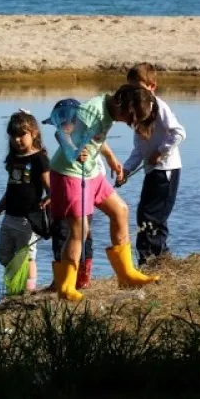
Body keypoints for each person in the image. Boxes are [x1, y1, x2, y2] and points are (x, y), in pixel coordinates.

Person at [48, 85, 160, 301]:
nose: (127, 123)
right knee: (80, 230)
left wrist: (111, 158)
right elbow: (62, 133)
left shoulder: (108, 111)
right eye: (128, 118)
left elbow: (96, 137)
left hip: (91, 173)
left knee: (120, 211)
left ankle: (126, 275)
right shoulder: (91, 111)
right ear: (121, 103)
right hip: (69, 173)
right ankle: (66, 288)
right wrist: (74, 150)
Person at [120, 63, 186, 264]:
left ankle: (150, 261)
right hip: (151, 171)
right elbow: (139, 149)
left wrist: (160, 151)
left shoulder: (159, 106)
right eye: (132, 88)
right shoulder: (137, 110)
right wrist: (126, 170)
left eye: (139, 88)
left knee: (151, 216)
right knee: (146, 214)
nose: (135, 93)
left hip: (166, 170)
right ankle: (159, 259)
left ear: (152, 86)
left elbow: (179, 133)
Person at [0, 110, 50, 292]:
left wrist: (50, 199)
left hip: (28, 218)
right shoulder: (14, 159)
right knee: (3, 255)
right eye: (13, 136)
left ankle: (28, 290)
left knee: (27, 256)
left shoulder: (39, 158)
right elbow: (11, 190)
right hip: (10, 216)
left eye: (22, 135)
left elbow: (50, 187)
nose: (17, 140)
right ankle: (15, 282)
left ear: (34, 134)